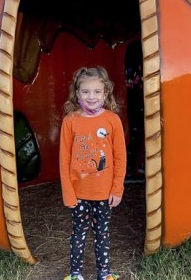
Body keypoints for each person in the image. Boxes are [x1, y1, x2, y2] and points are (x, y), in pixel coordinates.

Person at [60, 67, 127, 280]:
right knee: (79, 232)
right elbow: (64, 160)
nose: (91, 97)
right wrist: (68, 193)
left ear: (106, 93)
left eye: (97, 91)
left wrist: (117, 188)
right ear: (77, 93)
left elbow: (120, 158)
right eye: (86, 91)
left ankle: (104, 273)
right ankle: (76, 273)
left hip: (105, 193)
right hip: (79, 193)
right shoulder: (70, 121)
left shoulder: (112, 120)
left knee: (102, 234)